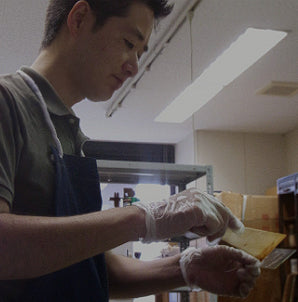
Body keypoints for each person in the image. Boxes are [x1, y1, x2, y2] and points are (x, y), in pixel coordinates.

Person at [0, 0, 261, 301]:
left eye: (140, 53)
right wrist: (143, 217)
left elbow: (90, 266)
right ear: (80, 18)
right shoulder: (8, 103)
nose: (134, 66)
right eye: (128, 43)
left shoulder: (73, 140)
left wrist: (185, 269)